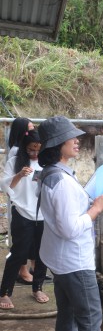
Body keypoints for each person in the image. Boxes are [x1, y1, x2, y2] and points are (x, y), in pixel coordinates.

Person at [38, 117, 103, 331]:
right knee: (91, 322)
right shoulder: (62, 183)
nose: (77, 140)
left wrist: (89, 201)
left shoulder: (51, 174)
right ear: (58, 144)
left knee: (68, 317)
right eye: (71, 137)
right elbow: (70, 229)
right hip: (75, 263)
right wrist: (96, 208)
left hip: (60, 261)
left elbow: (62, 217)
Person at [0, 130, 49, 309]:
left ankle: (37, 288)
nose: (35, 154)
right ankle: (4, 292)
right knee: (18, 253)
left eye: (38, 150)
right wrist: (19, 175)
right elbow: (5, 186)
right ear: (24, 148)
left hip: (43, 215)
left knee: (42, 253)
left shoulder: (47, 163)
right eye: (31, 150)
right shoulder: (15, 162)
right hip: (22, 213)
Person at [4, 117, 37, 284]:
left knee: (32, 242)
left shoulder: (26, 149)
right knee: (21, 242)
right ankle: (22, 271)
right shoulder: (17, 152)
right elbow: (11, 182)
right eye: (28, 130)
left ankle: (31, 270)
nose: (32, 132)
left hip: (31, 202)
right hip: (21, 201)